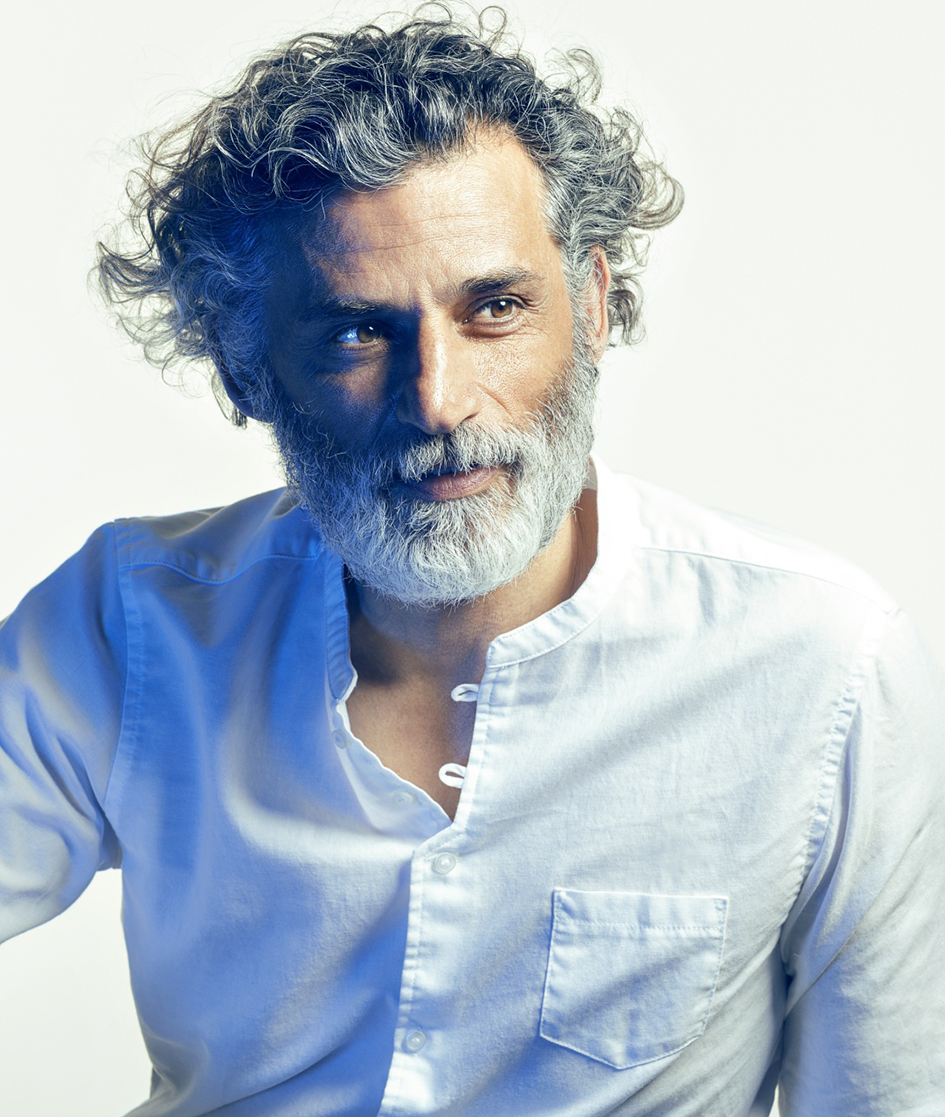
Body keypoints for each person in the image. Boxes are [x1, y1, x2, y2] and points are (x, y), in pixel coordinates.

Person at [1, 6, 942, 1115]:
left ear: (591, 307)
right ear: (247, 366)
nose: (439, 402)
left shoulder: (820, 668)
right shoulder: (131, 623)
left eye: (495, 307)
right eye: (357, 331)